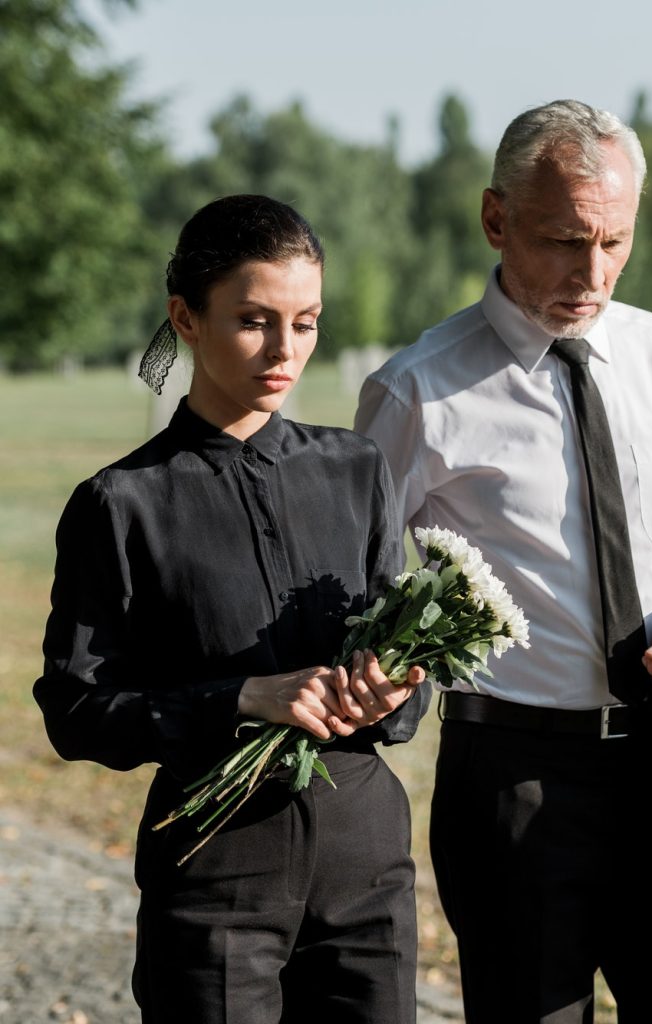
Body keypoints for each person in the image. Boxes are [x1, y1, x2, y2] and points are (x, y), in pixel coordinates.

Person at [355, 100, 652, 1022]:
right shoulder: (417, 391)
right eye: (566, 240)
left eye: (615, 241)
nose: (593, 272)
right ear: (496, 219)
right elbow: (360, 581)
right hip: (515, 782)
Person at [34, 193, 430, 1024]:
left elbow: (403, 681)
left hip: (366, 865)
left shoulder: (358, 469)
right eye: (254, 321)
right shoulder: (120, 504)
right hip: (215, 878)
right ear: (185, 317)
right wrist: (241, 698)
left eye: (306, 322)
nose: (286, 350)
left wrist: (393, 693)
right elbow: (75, 712)